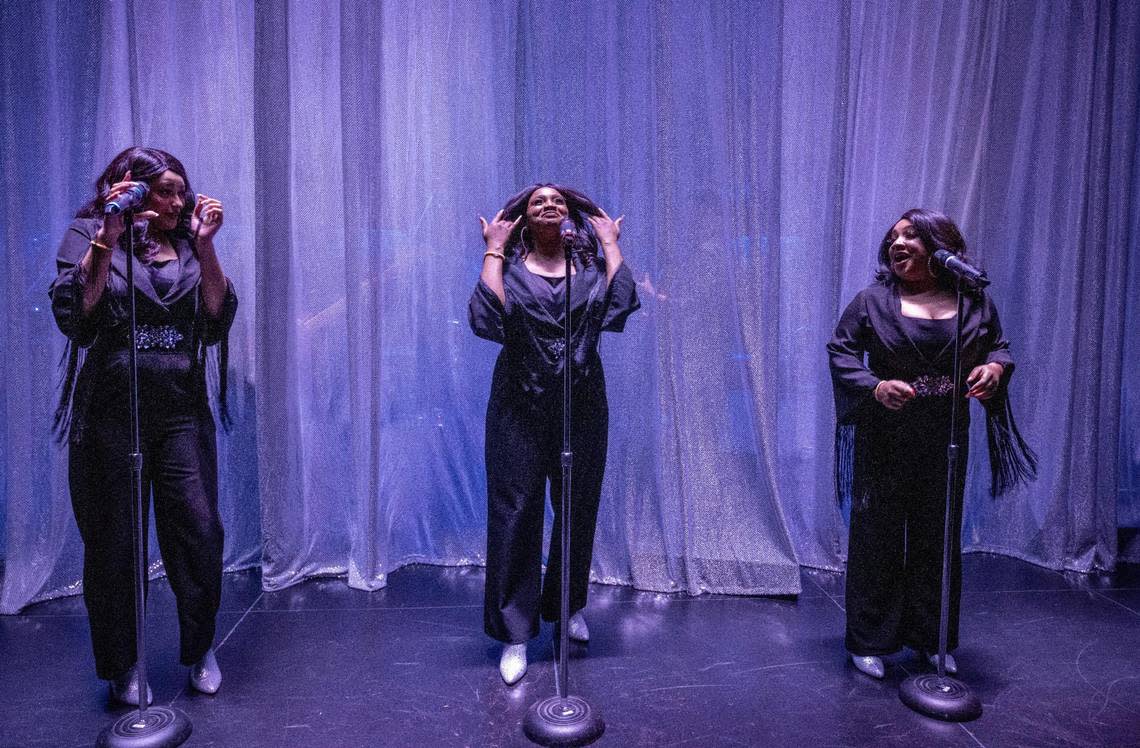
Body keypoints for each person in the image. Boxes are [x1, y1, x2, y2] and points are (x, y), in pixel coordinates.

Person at [50, 147, 237, 703]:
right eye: (165, 191)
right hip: (112, 412)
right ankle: (124, 666)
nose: (178, 202)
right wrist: (107, 236)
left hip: (179, 407)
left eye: (182, 190)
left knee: (199, 531)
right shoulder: (89, 232)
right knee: (113, 544)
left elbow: (215, 318)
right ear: (131, 188)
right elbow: (75, 313)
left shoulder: (187, 241)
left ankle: (201, 646)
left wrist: (206, 247)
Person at [826, 208, 1035, 679]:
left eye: (911, 236)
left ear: (942, 247)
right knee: (877, 536)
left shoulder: (973, 302)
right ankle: (868, 639)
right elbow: (840, 349)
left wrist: (995, 368)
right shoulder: (872, 301)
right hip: (885, 434)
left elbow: (999, 345)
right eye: (893, 237)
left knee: (937, 537)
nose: (898, 244)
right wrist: (874, 387)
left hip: (945, 435)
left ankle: (931, 637)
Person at [469, 184, 640, 684]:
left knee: (576, 509)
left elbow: (622, 304)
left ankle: (566, 608)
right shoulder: (512, 271)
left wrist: (609, 242)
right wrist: (493, 248)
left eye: (558, 201)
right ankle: (516, 635)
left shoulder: (588, 275)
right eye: (538, 200)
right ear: (523, 217)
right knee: (515, 514)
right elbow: (486, 319)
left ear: (570, 217)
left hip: (580, 407)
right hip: (518, 410)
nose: (549, 204)